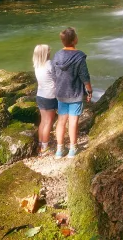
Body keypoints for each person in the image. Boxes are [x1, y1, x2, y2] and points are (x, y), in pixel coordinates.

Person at [52, 27, 92, 159]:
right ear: (75, 40)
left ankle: (59, 149)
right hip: (75, 93)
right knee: (73, 121)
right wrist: (89, 90)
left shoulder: (57, 55)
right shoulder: (79, 56)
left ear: (62, 41)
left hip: (61, 93)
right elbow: (84, 75)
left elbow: (54, 74)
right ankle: (73, 148)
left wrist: (58, 86)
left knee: (61, 121)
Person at [32, 44, 57, 157]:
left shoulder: (37, 65)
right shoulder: (49, 64)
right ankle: (45, 147)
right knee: (48, 122)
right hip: (50, 96)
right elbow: (57, 77)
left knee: (43, 121)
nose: (50, 52)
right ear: (45, 53)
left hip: (40, 95)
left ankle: (40, 143)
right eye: (48, 51)